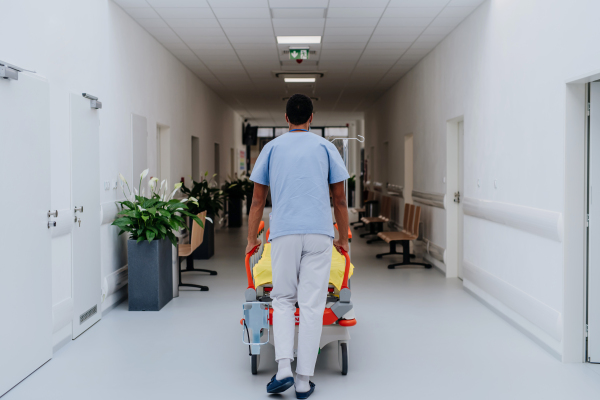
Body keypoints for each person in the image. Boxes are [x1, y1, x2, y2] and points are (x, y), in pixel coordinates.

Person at [246, 94, 350, 399]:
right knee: (311, 305)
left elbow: (257, 201)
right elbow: (340, 200)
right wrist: (343, 238)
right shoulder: (326, 148)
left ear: (286, 118)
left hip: (284, 233)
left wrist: (252, 239)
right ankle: (304, 381)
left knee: (282, 299)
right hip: (319, 234)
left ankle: (283, 370)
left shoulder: (271, 148)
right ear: (312, 118)